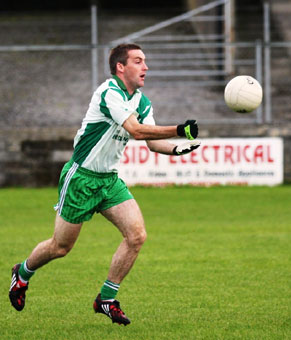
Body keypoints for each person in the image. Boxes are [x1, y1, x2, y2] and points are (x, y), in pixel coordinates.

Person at [9, 43, 201, 326]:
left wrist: (177, 148)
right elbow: (135, 131)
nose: (145, 67)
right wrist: (179, 129)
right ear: (120, 67)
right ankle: (22, 273)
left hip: (109, 181)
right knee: (61, 247)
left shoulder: (142, 102)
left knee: (136, 236)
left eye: (145, 61)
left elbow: (150, 141)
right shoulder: (108, 92)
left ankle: (107, 299)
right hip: (81, 178)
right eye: (138, 61)